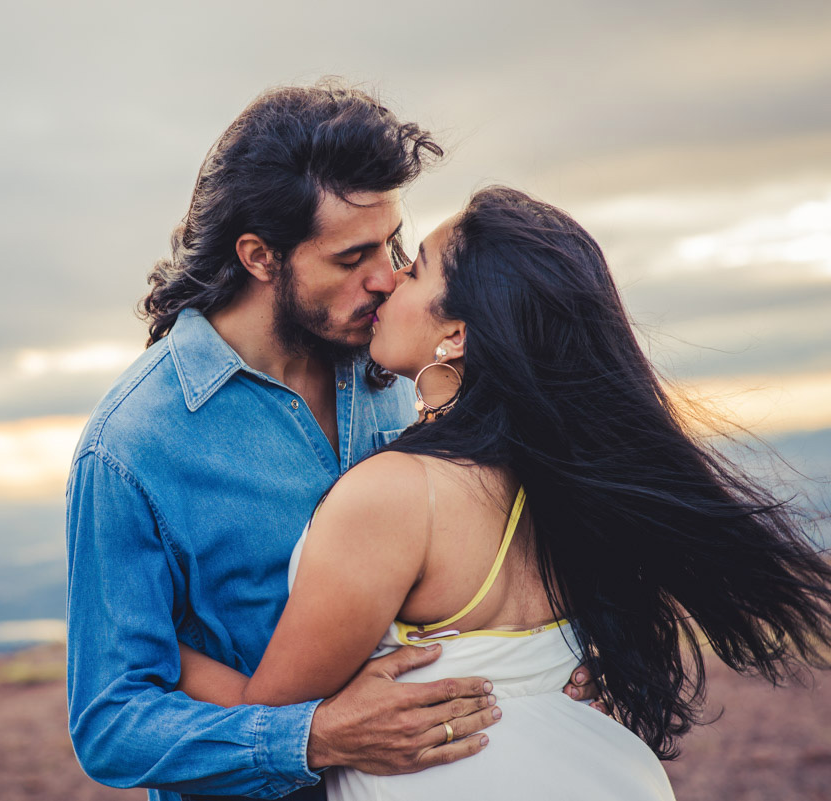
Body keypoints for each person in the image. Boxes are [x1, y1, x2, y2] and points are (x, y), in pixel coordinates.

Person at [175, 186, 831, 799]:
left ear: (456, 333)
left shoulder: (396, 494)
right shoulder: (561, 474)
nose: (387, 279)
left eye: (414, 269)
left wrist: (156, 644)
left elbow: (272, 717)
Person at [65, 83, 598, 801]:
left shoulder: (396, 367)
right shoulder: (133, 445)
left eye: (392, 243)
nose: (386, 278)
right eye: (352, 259)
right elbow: (110, 722)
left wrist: (560, 658)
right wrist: (316, 737)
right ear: (260, 256)